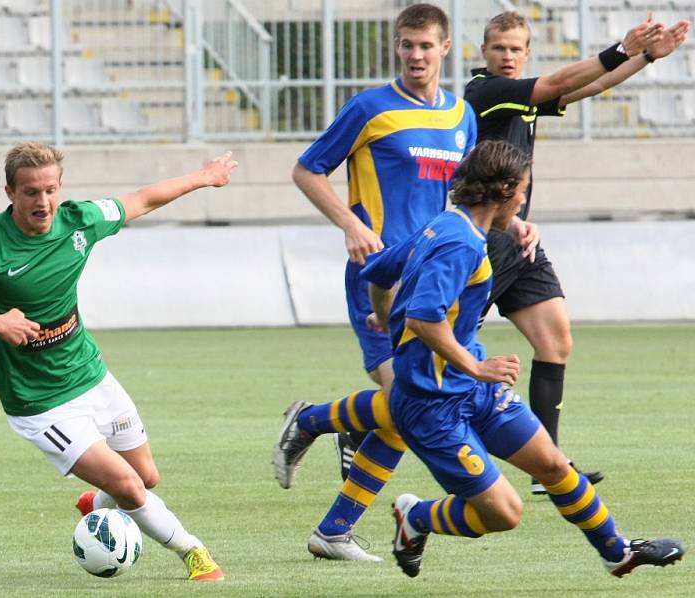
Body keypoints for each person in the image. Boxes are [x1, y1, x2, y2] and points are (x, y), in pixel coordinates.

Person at [290, 140, 687, 580]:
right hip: (431, 407)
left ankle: (618, 552)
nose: (523, 200)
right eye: (521, 191)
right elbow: (424, 319)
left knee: (553, 464)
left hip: (474, 392)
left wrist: (386, 318)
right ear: (502, 190)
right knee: (505, 514)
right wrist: (474, 365)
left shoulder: (446, 224)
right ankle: (417, 518)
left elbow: (379, 272)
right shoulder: (461, 245)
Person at [0, 142, 238, 582]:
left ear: (60, 188)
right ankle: (194, 553)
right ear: (9, 192)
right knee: (127, 486)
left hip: (89, 374)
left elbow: (141, 199)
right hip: (39, 402)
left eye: (49, 190)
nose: (42, 202)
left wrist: (204, 177)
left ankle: (94, 502)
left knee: (145, 476)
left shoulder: (80, 220)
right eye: (29, 192)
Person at [464, 11, 690, 494]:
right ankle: (357, 424)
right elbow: (566, 79)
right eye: (498, 48)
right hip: (479, 242)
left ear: (527, 53)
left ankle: (549, 465)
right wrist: (622, 49)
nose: (507, 56)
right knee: (440, 359)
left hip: (517, 240)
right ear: (484, 53)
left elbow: (583, 88)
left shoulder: (523, 95)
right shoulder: (484, 94)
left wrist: (646, 56)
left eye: (515, 49)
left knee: (556, 341)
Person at [289, 3, 481, 560]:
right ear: (397, 47)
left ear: (445, 48)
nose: (415, 55)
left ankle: (330, 519)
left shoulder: (461, 116)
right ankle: (312, 439)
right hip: (378, 274)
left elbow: (463, 199)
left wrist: (512, 222)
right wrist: (351, 222)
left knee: (405, 409)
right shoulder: (371, 107)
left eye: (425, 46)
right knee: (405, 403)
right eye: (406, 45)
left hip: (434, 282)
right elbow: (307, 169)